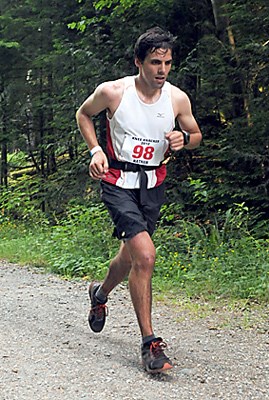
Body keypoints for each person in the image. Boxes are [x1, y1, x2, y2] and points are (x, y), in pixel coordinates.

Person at [76, 26, 202, 374]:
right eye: (155, 63)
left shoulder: (177, 98)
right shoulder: (113, 92)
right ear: (138, 62)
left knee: (131, 256)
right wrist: (96, 150)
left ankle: (99, 294)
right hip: (117, 180)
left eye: (167, 63)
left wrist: (183, 139)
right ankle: (150, 344)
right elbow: (83, 114)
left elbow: (195, 134)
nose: (162, 70)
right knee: (145, 255)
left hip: (152, 184)